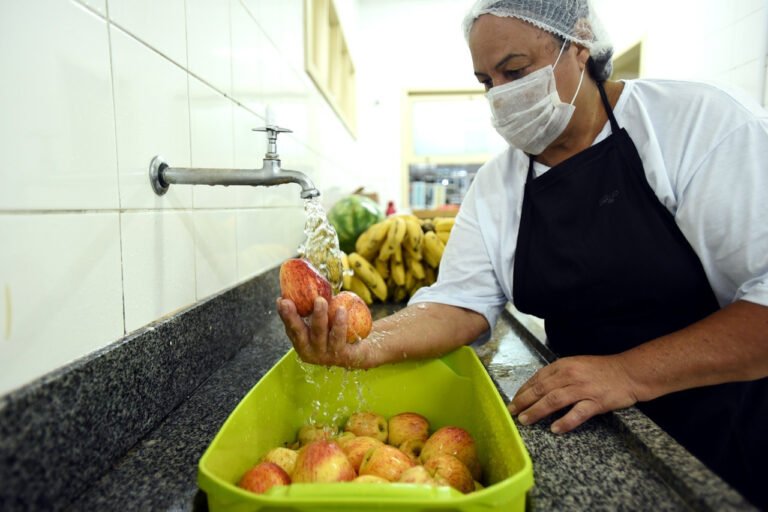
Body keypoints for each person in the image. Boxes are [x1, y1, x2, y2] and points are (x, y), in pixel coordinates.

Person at [278, 0, 768, 507]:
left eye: (515, 70)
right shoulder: (500, 185)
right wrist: (366, 343)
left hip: (728, 430)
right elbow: (458, 302)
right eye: (487, 82)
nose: (502, 96)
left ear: (579, 44)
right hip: (590, 428)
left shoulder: (697, 126)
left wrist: (625, 372)